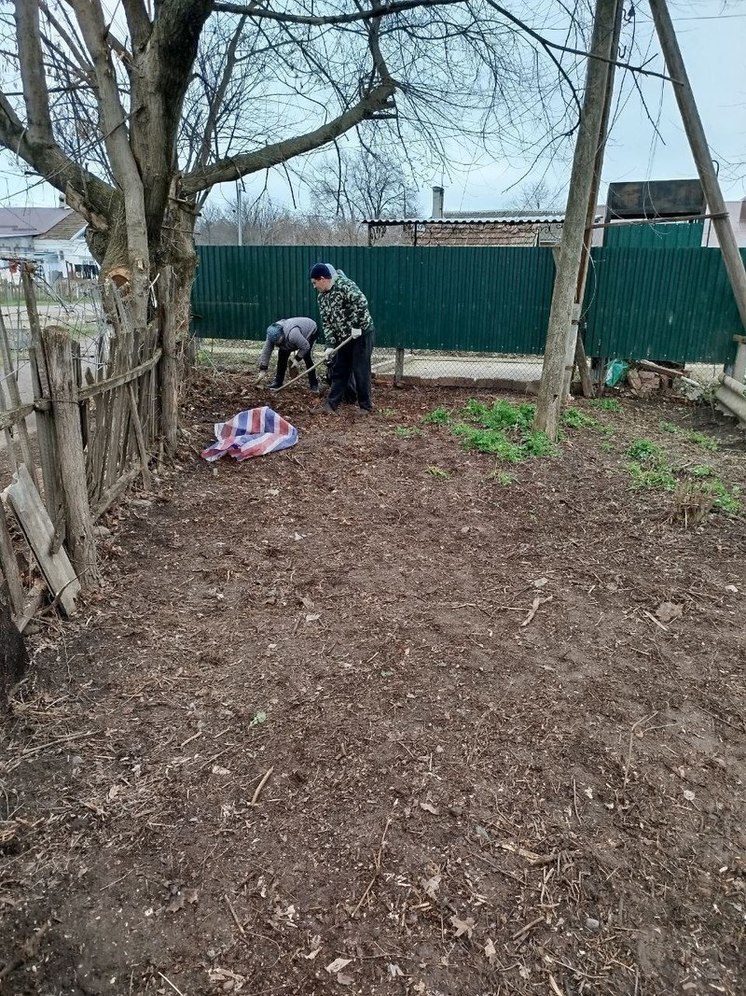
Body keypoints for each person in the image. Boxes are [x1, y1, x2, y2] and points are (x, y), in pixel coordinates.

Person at [309, 263, 375, 415]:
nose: (314, 286)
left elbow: (361, 302)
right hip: (343, 337)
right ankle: (330, 406)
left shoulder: (345, 285)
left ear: (322, 279)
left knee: (360, 370)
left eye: (314, 283)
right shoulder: (321, 298)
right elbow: (326, 322)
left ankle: (365, 406)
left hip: (362, 334)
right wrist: (330, 345)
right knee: (340, 370)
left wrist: (357, 325)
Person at [255, 317, 320, 392]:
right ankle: (278, 382)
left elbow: (305, 346)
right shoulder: (271, 335)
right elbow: (266, 351)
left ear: (282, 334)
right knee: (282, 355)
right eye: (276, 343)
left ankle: (314, 384)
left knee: (307, 357)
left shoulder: (293, 334)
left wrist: (297, 359)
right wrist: (263, 369)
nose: (278, 344)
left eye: (279, 341)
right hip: (292, 337)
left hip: (310, 330)